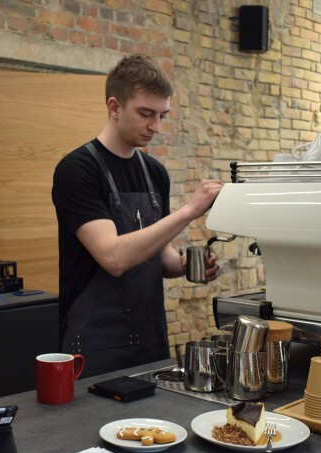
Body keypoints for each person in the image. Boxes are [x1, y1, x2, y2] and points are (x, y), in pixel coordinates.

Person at [52, 54, 224, 377]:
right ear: (114, 107)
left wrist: (185, 266)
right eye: (146, 114)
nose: (156, 127)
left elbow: (161, 256)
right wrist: (190, 211)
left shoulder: (155, 173)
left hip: (150, 342)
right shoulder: (77, 171)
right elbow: (113, 257)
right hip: (96, 348)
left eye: (162, 116)